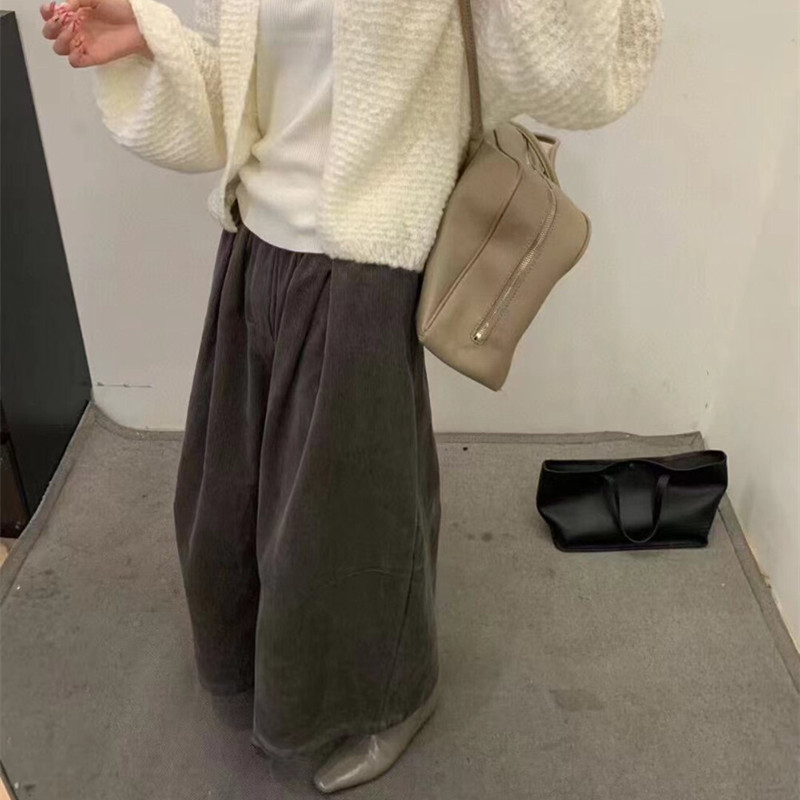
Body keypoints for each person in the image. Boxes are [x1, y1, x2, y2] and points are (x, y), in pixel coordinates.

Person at [40, 0, 664, 793]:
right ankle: (260, 660)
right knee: (227, 495)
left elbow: (578, 77)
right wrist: (144, 35)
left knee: (352, 520)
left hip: (363, 265)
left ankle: (393, 695)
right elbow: (241, 97)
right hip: (251, 247)